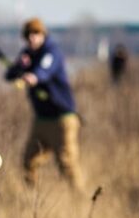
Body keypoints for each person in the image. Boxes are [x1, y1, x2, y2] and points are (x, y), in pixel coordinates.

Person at [5, 17, 84, 190]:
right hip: (41, 119)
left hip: (62, 118)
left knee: (67, 164)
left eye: (36, 33)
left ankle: (82, 200)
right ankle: (33, 198)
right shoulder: (27, 54)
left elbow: (44, 70)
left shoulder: (52, 52)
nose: (32, 38)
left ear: (43, 34)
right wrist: (19, 66)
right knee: (28, 161)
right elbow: (9, 75)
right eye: (28, 35)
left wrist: (33, 76)